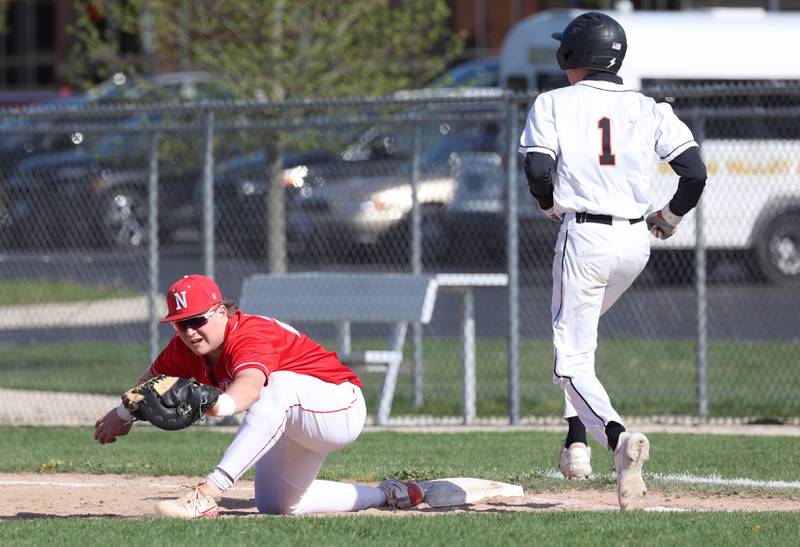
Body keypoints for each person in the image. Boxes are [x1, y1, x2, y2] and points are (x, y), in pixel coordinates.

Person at [519, 12, 707, 510]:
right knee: (583, 341)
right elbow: (694, 173)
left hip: (584, 237)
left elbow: (538, 169)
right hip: (635, 243)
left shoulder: (553, 102)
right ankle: (574, 445)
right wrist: (668, 215)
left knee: (568, 361)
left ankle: (616, 440)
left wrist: (546, 204)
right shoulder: (649, 108)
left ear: (573, 56)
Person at [94, 274, 424, 518]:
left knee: (274, 386)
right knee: (278, 504)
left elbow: (251, 387)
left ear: (221, 311)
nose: (191, 332)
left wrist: (216, 404)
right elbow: (149, 384)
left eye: (197, 320)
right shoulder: (185, 348)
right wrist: (122, 415)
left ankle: (208, 493)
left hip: (340, 407)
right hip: (293, 417)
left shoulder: (249, 334)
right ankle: (386, 494)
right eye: (180, 324)